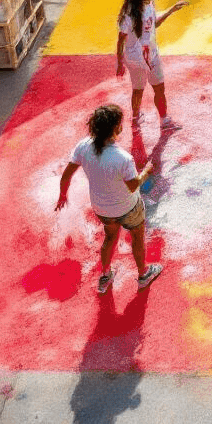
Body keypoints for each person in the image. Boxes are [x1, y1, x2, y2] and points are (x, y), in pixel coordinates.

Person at [55, 104, 162, 293]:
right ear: (115, 128)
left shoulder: (83, 146)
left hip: (102, 209)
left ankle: (105, 276)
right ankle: (143, 275)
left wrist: (62, 196)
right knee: (137, 238)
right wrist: (146, 171)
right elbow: (133, 185)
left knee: (110, 238)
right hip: (129, 207)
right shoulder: (123, 158)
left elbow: (66, 175)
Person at [116, 0, 188, 131]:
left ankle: (137, 120)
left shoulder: (146, 5)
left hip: (140, 57)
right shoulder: (129, 14)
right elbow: (121, 39)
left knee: (139, 89)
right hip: (143, 57)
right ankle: (163, 120)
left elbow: (154, 24)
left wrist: (171, 10)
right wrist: (119, 63)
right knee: (157, 89)